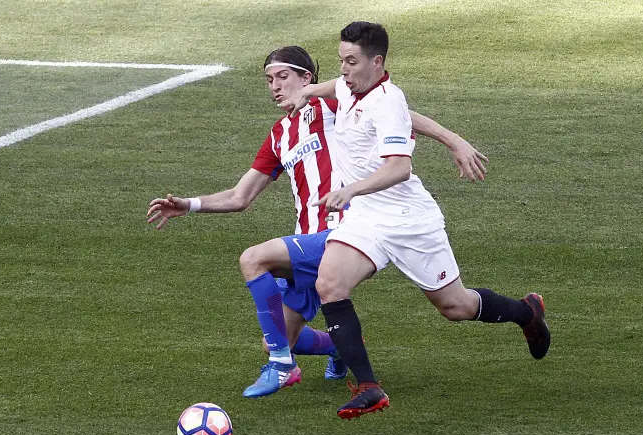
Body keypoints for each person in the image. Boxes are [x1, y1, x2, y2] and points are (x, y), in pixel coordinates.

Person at [147, 45, 489, 399]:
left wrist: (454, 140)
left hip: (346, 233)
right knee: (279, 338)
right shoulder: (279, 135)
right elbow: (240, 197)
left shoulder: (331, 105)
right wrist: (190, 204)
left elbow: (399, 113)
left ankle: (283, 367)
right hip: (306, 240)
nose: (275, 87)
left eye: (283, 77)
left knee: (254, 260)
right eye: (269, 80)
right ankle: (334, 346)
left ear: (307, 78)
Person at [280, 22, 550, 419]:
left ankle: (527, 312)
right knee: (330, 283)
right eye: (341, 60)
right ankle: (369, 388)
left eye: (351, 61)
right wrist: (306, 91)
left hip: (408, 219)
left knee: (455, 306)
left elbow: (399, 169)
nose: (343, 69)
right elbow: (331, 88)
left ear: (378, 62)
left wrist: (350, 190)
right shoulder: (349, 87)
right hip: (368, 218)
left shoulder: (387, 101)